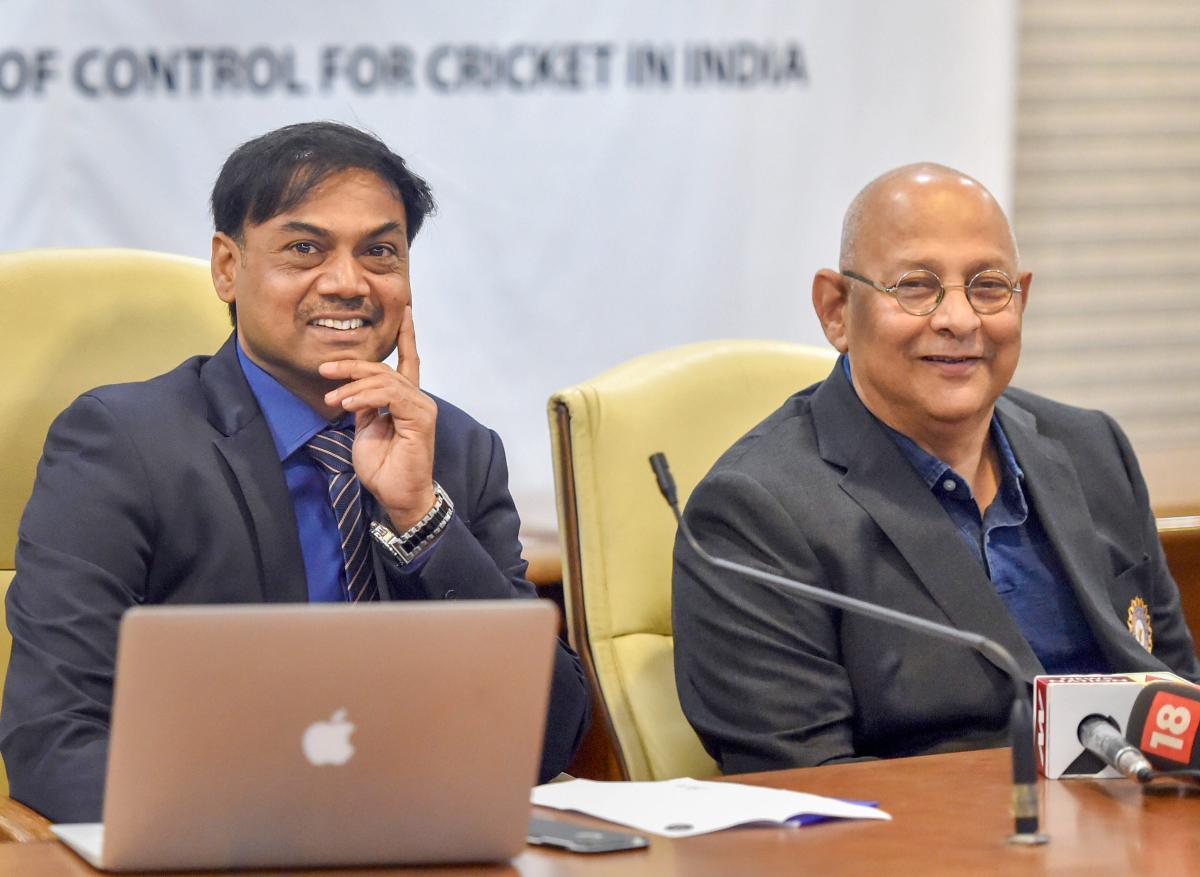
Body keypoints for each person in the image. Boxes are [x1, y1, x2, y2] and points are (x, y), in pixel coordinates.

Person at [1, 122, 590, 821]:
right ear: (227, 265)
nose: (346, 282)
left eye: (380, 252)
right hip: (216, 851)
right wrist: (286, 829)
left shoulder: (456, 449)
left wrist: (421, 517)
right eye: (304, 248)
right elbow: (54, 743)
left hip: (422, 848)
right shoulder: (123, 445)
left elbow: (548, 736)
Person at [672, 163, 1200, 775]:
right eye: (916, 286)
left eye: (988, 285)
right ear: (836, 309)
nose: (961, 319)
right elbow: (807, 795)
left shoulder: (1091, 449)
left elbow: (1177, 700)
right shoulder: (754, 511)